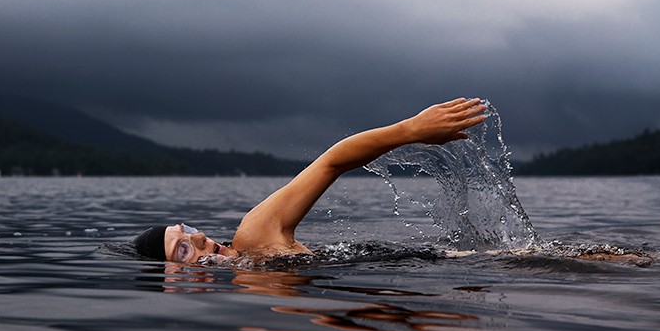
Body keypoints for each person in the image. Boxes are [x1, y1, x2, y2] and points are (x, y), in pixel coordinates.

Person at [134, 98, 488, 263]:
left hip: (466, 263)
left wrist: (410, 130)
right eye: (183, 249)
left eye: (188, 230)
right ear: (174, 282)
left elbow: (331, 163)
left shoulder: (254, 236)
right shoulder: (250, 295)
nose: (198, 236)